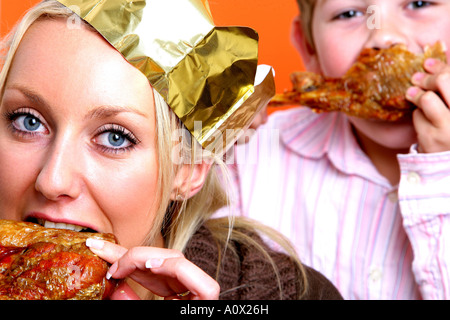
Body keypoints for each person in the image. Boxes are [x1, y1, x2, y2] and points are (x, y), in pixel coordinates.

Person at [0, 0, 342, 300]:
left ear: (187, 170)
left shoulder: (291, 294)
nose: (53, 181)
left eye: (114, 137)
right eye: (28, 122)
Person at [219, 0, 450, 299]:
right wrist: (202, 145)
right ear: (309, 47)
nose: (384, 37)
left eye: (418, 3)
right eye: (350, 13)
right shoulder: (249, 157)